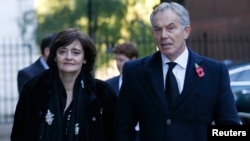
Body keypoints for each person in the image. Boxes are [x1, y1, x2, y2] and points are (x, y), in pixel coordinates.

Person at [114, 2, 241, 141]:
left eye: (171, 28)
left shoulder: (215, 72)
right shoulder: (135, 72)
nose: (163, 35)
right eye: (158, 29)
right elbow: (122, 129)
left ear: (186, 31)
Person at [11, 28, 117, 141]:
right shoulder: (34, 89)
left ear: (85, 58)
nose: (68, 57)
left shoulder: (102, 93)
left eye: (76, 52)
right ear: (55, 57)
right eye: (62, 51)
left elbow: (114, 134)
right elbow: (19, 134)